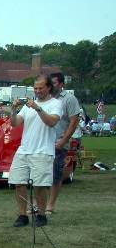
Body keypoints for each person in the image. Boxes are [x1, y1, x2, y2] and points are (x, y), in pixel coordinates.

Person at [9, 75, 62, 228]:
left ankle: (41, 214)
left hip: (43, 150)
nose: (37, 91)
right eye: (36, 88)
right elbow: (15, 123)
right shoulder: (27, 106)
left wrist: (38, 108)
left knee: (40, 185)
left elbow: (51, 122)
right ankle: (22, 215)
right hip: (24, 149)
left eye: (41, 88)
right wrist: (13, 110)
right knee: (19, 182)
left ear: (49, 88)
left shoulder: (55, 104)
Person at [45, 72, 82, 215]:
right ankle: (40, 203)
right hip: (44, 142)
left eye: (53, 83)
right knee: (41, 174)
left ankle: (50, 205)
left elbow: (74, 122)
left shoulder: (69, 99)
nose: (50, 86)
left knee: (55, 174)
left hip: (59, 141)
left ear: (61, 84)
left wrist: (63, 141)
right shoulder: (46, 98)